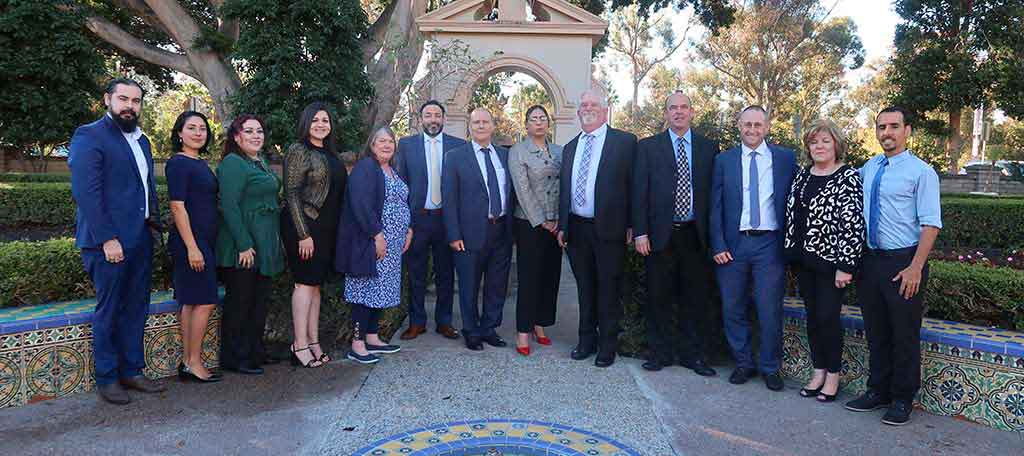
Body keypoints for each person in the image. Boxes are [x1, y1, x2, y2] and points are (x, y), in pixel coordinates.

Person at [69, 77, 167, 404]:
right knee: (109, 309)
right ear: (107, 100)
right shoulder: (89, 136)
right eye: (123, 99)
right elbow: (87, 193)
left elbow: (146, 188)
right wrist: (108, 239)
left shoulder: (142, 141)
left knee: (136, 307)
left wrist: (153, 227)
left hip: (140, 239)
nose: (130, 106)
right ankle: (108, 378)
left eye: (136, 101)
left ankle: (132, 371)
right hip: (107, 243)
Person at [844, 107, 941, 426]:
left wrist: (916, 267)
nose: (887, 132)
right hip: (871, 261)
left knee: (904, 333)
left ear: (907, 130)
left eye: (894, 126)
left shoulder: (921, 172)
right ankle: (877, 391)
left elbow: (931, 225)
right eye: (882, 127)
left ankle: (902, 398)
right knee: (876, 331)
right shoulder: (869, 168)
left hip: (904, 261)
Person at [709, 105, 797, 391]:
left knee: (768, 308)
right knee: (732, 306)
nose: (752, 130)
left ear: (767, 127)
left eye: (758, 125)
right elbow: (715, 206)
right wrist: (718, 243)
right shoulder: (725, 160)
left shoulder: (784, 159)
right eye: (747, 124)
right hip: (733, 245)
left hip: (769, 244)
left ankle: (770, 367)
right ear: (739, 125)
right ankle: (743, 363)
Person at [632, 91, 718, 376]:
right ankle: (659, 353)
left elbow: (714, 196)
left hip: (695, 235)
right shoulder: (648, 147)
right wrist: (641, 232)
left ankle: (693, 356)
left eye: (684, 107)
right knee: (658, 297)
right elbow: (639, 192)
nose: (679, 112)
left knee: (695, 299)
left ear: (692, 112)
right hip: (659, 235)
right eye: (673, 108)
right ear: (666, 113)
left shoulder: (708, 148)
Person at [783, 119, 864, 402]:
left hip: (833, 266)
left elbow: (852, 223)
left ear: (836, 145)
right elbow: (793, 217)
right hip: (805, 263)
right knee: (813, 319)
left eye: (825, 141)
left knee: (828, 319)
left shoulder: (848, 177)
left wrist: (846, 265)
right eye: (814, 142)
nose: (819, 146)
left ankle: (833, 376)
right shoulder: (803, 176)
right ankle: (818, 371)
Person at [558, 89, 637, 368]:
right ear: (579, 112)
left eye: (594, 104)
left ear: (605, 111)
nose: (588, 108)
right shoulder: (570, 148)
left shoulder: (625, 143)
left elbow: (634, 187)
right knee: (584, 288)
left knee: (608, 289)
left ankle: (607, 346)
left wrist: (633, 224)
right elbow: (564, 192)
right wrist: (563, 226)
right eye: (584, 105)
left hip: (610, 230)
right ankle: (585, 341)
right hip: (577, 230)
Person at [215, 114, 286, 375]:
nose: (256, 135)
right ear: (237, 137)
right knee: (241, 302)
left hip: (264, 241)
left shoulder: (260, 162)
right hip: (242, 245)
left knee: (259, 300)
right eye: (249, 131)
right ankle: (235, 357)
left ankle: (255, 351)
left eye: (259, 131)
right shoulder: (233, 163)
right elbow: (229, 206)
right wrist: (244, 244)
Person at [335, 127, 412, 364]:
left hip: (393, 245)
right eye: (382, 141)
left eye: (390, 141)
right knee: (365, 291)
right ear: (372, 144)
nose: (387, 145)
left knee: (380, 291)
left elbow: (402, 201)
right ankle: (357, 345)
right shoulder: (366, 167)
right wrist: (377, 235)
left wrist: (408, 228)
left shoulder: (393, 170)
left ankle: (372, 337)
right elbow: (360, 203)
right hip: (371, 243)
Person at [442, 108, 515, 351]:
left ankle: (489, 328)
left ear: (493, 126)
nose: (481, 126)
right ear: (469, 127)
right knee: (468, 285)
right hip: (469, 233)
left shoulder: (506, 156)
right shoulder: (455, 157)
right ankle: (471, 331)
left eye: (485, 121)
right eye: (476, 122)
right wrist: (453, 234)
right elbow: (449, 199)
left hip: (501, 230)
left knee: (496, 285)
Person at [281, 102, 347, 368]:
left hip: (327, 228)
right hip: (305, 225)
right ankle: (299, 344)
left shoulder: (331, 154)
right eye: (316, 120)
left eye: (326, 120)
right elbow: (292, 193)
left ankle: (313, 340)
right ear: (306, 122)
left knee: (315, 286)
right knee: (304, 283)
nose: (321, 124)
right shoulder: (299, 150)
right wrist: (302, 234)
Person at [395, 100, 466, 341]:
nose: (433, 119)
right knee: (416, 273)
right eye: (428, 115)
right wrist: (406, 225)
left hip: (446, 221)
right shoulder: (406, 146)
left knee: (446, 273)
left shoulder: (458, 146)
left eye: (437, 115)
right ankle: (417, 322)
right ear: (420, 119)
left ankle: (444, 321)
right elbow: (400, 186)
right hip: (418, 220)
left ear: (443, 119)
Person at [165, 111, 222, 383]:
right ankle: (194, 361)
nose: (198, 132)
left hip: (203, 241)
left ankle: (188, 362)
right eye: (191, 128)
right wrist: (192, 247)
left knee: (191, 302)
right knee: (206, 301)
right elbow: (177, 206)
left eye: (202, 128)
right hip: (191, 243)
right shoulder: (178, 164)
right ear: (179, 133)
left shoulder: (199, 163)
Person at [508, 105, 563, 356]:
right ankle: (523, 329)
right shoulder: (518, 151)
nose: (538, 122)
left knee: (550, 277)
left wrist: (558, 221)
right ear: (527, 124)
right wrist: (542, 220)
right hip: (530, 224)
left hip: (556, 224)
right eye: (533, 119)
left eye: (543, 118)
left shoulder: (560, 151)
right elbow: (522, 190)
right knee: (529, 278)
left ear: (548, 123)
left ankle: (540, 324)